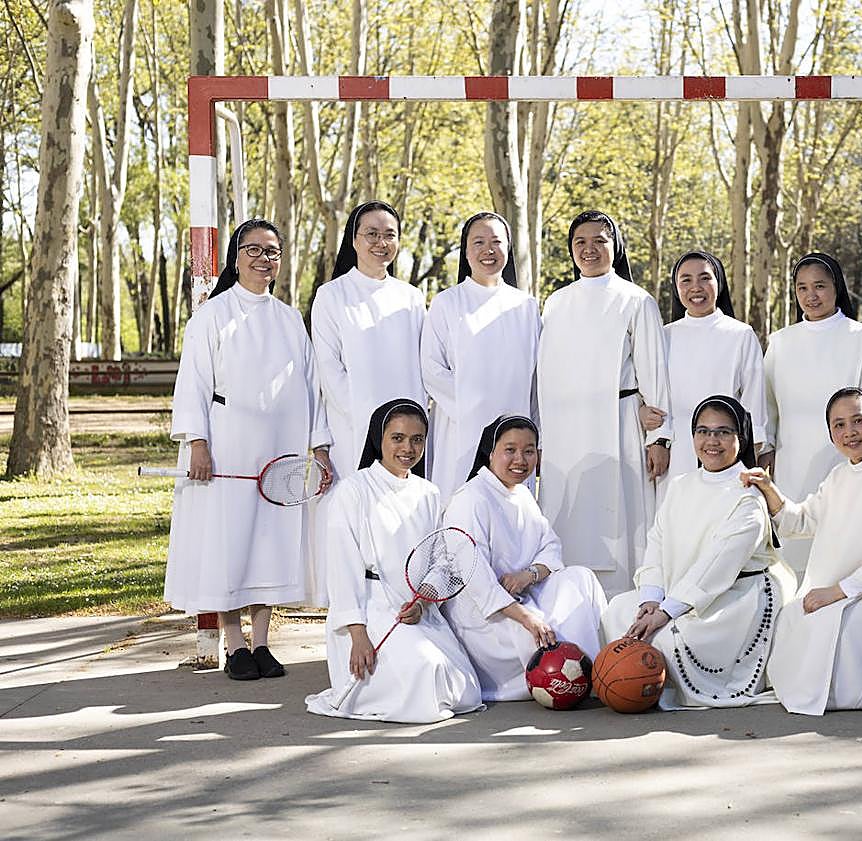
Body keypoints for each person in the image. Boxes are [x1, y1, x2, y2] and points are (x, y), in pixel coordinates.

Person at [164, 219, 333, 681]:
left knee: (268, 545)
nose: (264, 259)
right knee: (230, 543)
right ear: (236, 257)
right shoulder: (212, 316)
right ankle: (234, 643)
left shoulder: (289, 318)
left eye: (273, 252)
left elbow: (311, 388)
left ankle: (262, 642)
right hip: (227, 449)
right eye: (254, 250)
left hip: (279, 453)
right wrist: (198, 443)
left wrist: (318, 447)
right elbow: (193, 384)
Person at [743, 387, 862, 715]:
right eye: (838, 424)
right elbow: (801, 521)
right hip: (860, 585)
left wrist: (835, 592)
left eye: (859, 420)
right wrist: (768, 488)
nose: (849, 432)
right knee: (795, 616)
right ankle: (809, 689)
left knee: (843, 627)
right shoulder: (840, 474)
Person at [601, 396, 796, 710]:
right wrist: (650, 599)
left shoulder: (748, 495)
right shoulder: (681, 485)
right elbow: (658, 543)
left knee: (666, 637)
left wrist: (666, 611)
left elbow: (717, 565)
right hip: (682, 590)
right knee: (619, 612)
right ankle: (630, 686)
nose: (712, 441)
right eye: (703, 431)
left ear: (741, 438)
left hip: (736, 595)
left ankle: (652, 690)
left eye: (723, 432)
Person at [306, 400, 483, 722]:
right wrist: (358, 635)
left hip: (415, 609)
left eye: (417, 439)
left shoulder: (428, 493)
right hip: (368, 610)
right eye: (398, 438)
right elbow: (342, 569)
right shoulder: (353, 491)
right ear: (380, 438)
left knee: (465, 687)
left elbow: (441, 559)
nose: (408, 448)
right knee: (428, 674)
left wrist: (424, 600)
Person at [537, 210, 672, 594]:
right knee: (567, 524)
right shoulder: (556, 303)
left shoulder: (636, 300)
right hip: (566, 435)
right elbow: (545, 373)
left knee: (623, 532)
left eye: (600, 240)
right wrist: (543, 438)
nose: (589, 249)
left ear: (615, 246)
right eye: (580, 242)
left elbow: (654, 373)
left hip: (620, 424)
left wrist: (659, 437)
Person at [440, 415, 608, 702]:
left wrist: (527, 575)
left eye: (529, 451)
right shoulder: (471, 499)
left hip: (524, 595)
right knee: (547, 628)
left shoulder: (522, 495)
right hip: (485, 618)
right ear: (490, 453)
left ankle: (603, 668)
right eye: (510, 450)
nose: (520, 459)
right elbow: (475, 579)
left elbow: (551, 549)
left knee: (582, 578)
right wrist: (528, 618)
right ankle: (576, 678)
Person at [760, 252, 862, 574]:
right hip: (791, 461)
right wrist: (768, 447)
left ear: (836, 288)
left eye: (819, 286)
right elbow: (768, 405)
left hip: (846, 461)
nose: (811, 296)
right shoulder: (781, 341)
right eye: (802, 288)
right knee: (794, 546)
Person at [421, 212, 540, 500]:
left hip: (517, 432)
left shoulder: (526, 306)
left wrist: (536, 432)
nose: (488, 250)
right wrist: (473, 406)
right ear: (466, 250)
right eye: (478, 242)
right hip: (461, 430)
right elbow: (431, 369)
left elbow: (538, 377)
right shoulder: (447, 302)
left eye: (496, 242)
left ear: (508, 248)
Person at [310, 200, 427, 480]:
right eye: (371, 234)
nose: (381, 242)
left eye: (389, 235)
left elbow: (422, 365)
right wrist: (371, 420)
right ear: (354, 239)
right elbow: (328, 368)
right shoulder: (331, 295)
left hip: (407, 434)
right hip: (353, 427)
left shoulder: (411, 298)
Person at [649, 251, 766, 496]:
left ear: (718, 282)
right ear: (676, 286)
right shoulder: (664, 336)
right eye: (686, 280)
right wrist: (658, 440)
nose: (696, 288)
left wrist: (748, 459)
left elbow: (754, 404)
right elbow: (651, 394)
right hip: (675, 452)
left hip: (724, 451)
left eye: (705, 278)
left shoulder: (741, 335)